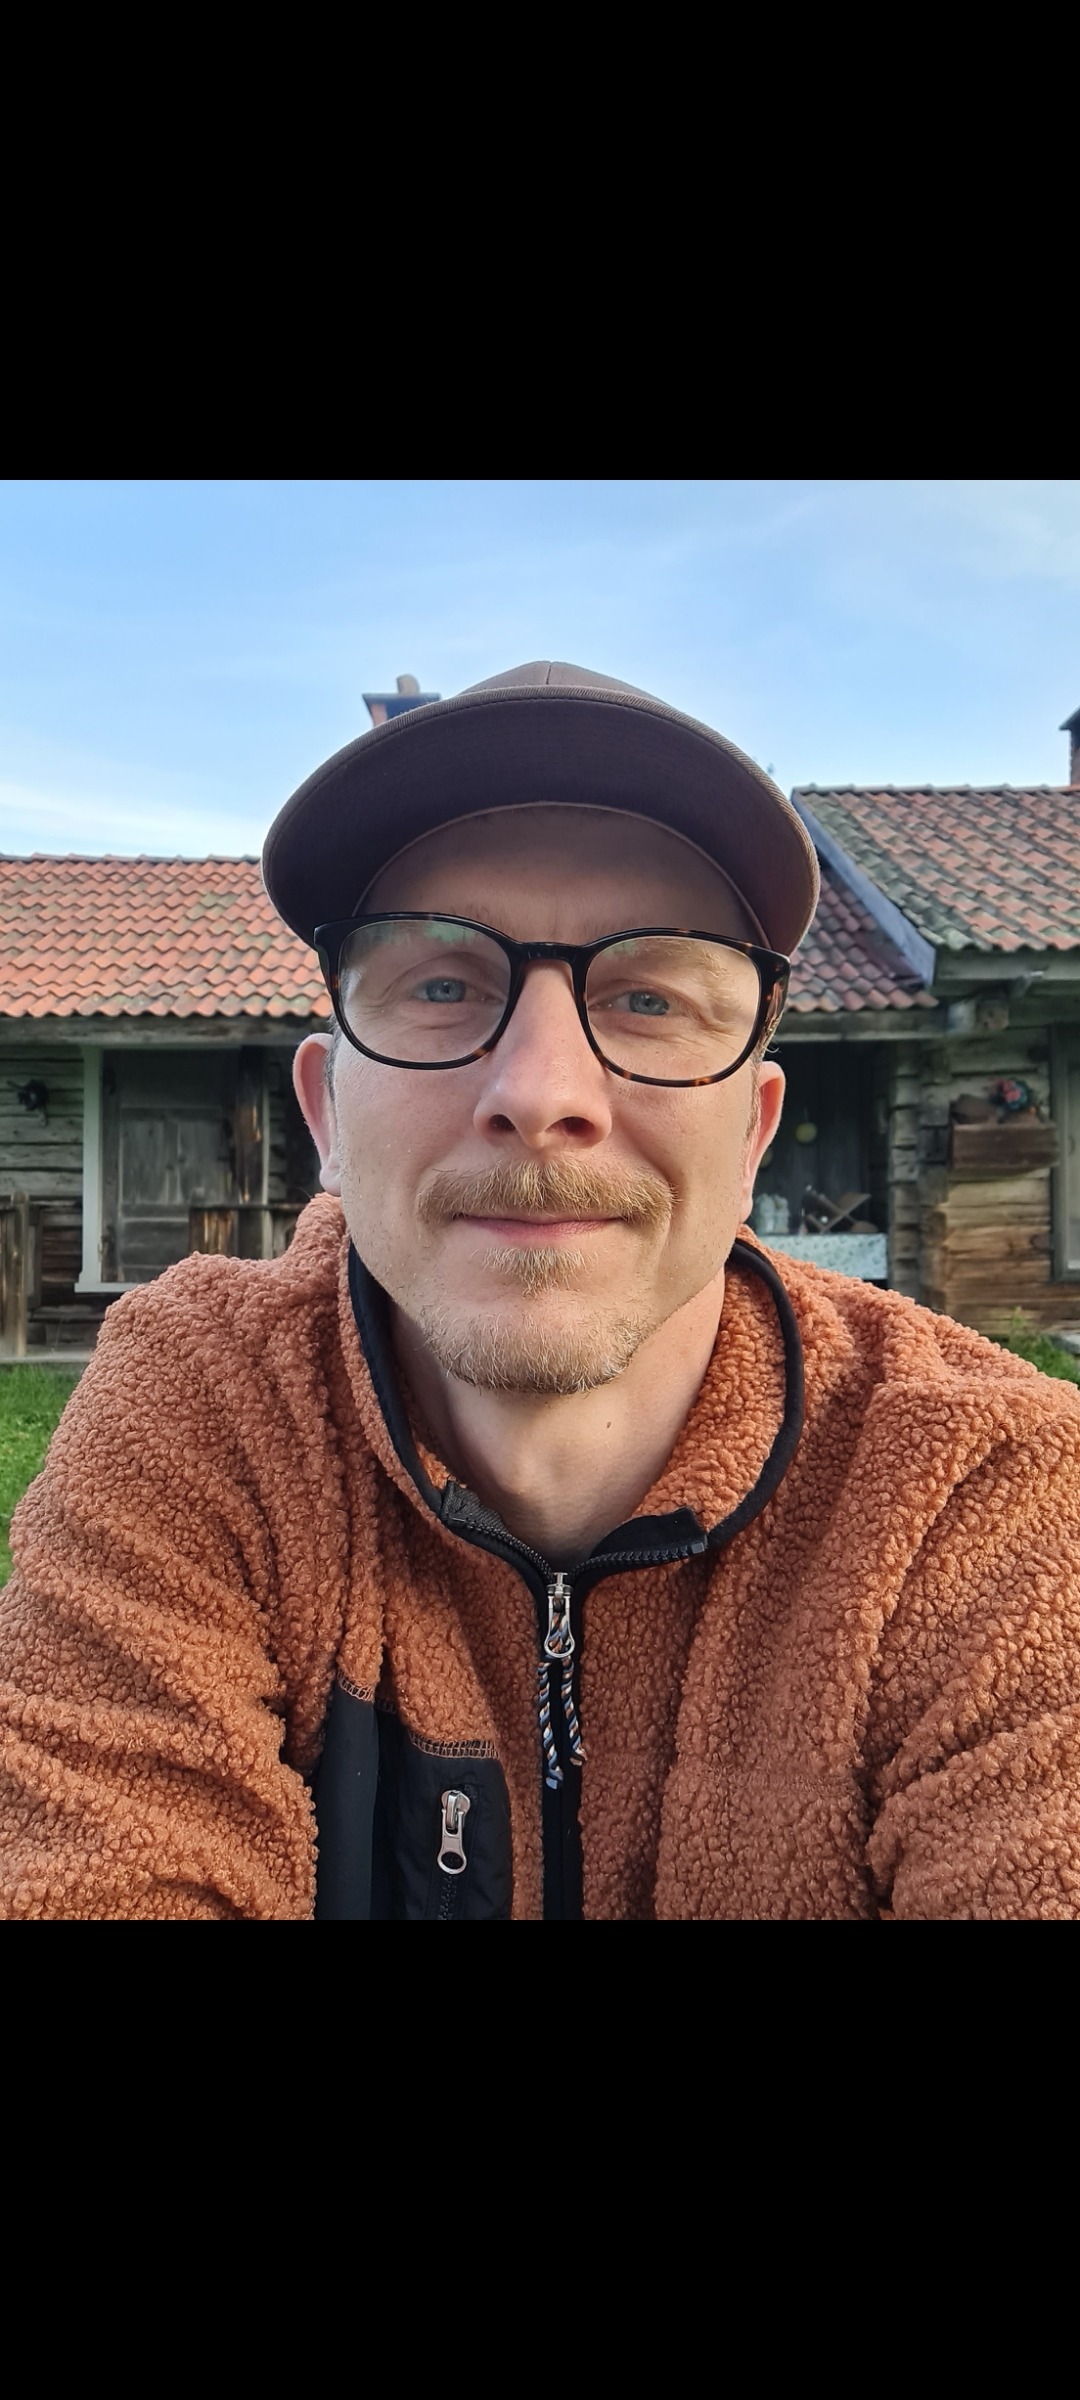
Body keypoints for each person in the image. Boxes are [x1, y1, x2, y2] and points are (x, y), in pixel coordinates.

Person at [3, 661, 1080, 1920]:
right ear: (326, 1117)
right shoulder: (205, 1408)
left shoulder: (988, 1489)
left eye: (648, 997)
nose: (542, 1092)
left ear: (751, 1136)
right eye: (442, 985)